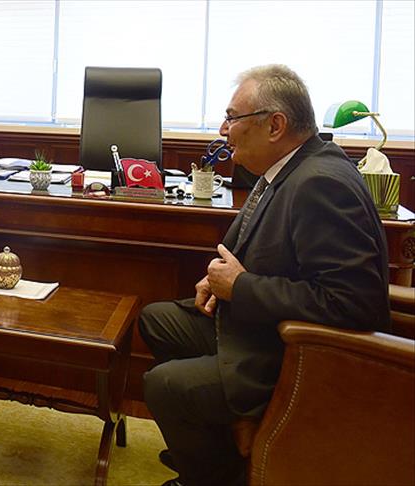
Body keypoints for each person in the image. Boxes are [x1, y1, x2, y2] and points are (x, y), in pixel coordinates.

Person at [139, 64, 390, 486]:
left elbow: (353, 304)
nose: (223, 130)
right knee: (156, 319)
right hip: (262, 329)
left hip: (301, 355)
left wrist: (240, 286)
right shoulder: (288, 168)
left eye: (232, 118)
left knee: (165, 385)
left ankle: (215, 477)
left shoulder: (320, 184)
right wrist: (219, 280)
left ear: (275, 125)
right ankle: (221, 442)